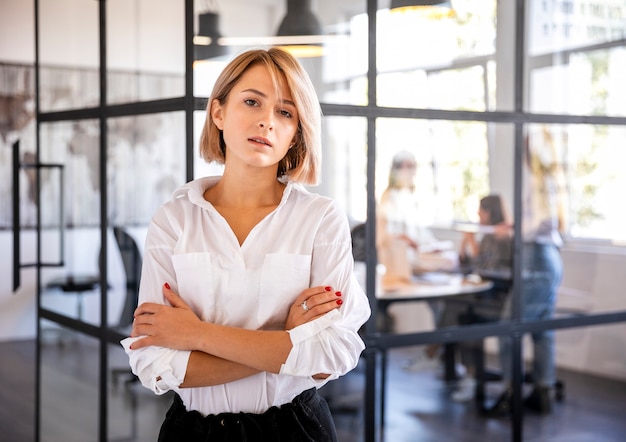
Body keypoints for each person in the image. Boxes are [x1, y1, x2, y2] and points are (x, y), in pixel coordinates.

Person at [121, 48, 371, 441]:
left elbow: (328, 356)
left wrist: (197, 335)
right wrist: (285, 341)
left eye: (285, 112)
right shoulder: (174, 219)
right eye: (252, 101)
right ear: (218, 113)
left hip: (294, 429)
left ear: (296, 133)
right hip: (194, 432)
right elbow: (155, 359)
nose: (267, 121)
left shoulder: (320, 218)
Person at [485, 127, 565, 417]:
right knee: (542, 331)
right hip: (548, 258)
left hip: (536, 258)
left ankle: (512, 393)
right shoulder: (550, 180)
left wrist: (513, 231)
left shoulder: (537, 180)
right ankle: (542, 392)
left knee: (509, 329)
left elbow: (542, 225)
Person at [376, 150, 457, 370]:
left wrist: (433, 246)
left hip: (418, 257)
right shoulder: (389, 197)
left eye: (413, 166)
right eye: (406, 166)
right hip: (403, 262)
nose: (411, 171)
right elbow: (385, 236)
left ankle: (437, 354)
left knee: (448, 289)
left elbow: (420, 234)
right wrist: (406, 240)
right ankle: (434, 353)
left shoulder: (411, 197)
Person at [448, 194, 513, 402]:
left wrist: (471, 242)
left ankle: (463, 370)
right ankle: (454, 365)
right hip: (488, 295)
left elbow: (485, 267)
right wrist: (464, 247)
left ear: (489, 212)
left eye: (480, 210)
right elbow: (474, 265)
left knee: (462, 315)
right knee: (456, 309)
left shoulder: (500, 236)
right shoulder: (489, 235)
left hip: (499, 301)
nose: (478, 214)